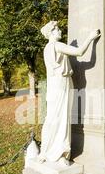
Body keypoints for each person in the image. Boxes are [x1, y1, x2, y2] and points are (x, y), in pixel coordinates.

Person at [38, 21, 100, 166]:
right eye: (58, 29)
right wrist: (91, 38)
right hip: (61, 83)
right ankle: (60, 153)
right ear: (52, 32)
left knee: (52, 119)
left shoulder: (47, 48)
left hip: (54, 85)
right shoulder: (57, 45)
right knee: (62, 119)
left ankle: (45, 151)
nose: (60, 31)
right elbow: (79, 52)